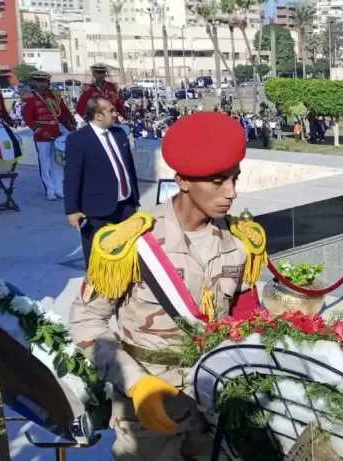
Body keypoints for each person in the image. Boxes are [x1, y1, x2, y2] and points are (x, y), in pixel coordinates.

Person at [69, 112, 264, 460]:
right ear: (184, 181)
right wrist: (135, 382)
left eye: (234, 178)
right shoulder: (133, 243)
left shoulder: (239, 242)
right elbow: (86, 321)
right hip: (149, 415)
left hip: (213, 407)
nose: (231, 193)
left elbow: (248, 321)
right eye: (218, 181)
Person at [64, 97, 140, 264]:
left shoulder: (120, 134)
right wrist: (71, 210)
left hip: (125, 205)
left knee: (128, 253)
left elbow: (129, 167)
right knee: (98, 259)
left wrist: (135, 198)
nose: (116, 114)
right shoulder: (78, 140)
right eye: (111, 111)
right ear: (98, 115)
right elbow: (71, 176)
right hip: (96, 210)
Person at [22, 70, 77, 201]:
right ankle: (50, 190)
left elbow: (63, 112)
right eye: (39, 81)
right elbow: (27, 118)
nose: (42, 84)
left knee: (58, 162)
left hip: (57, 131)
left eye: (45, 81)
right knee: (45, 163)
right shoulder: (30, 97)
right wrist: (39, 130)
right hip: (42, 133)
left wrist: (71, 123)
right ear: (33, 82)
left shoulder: (54, 96)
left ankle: (59, 188)